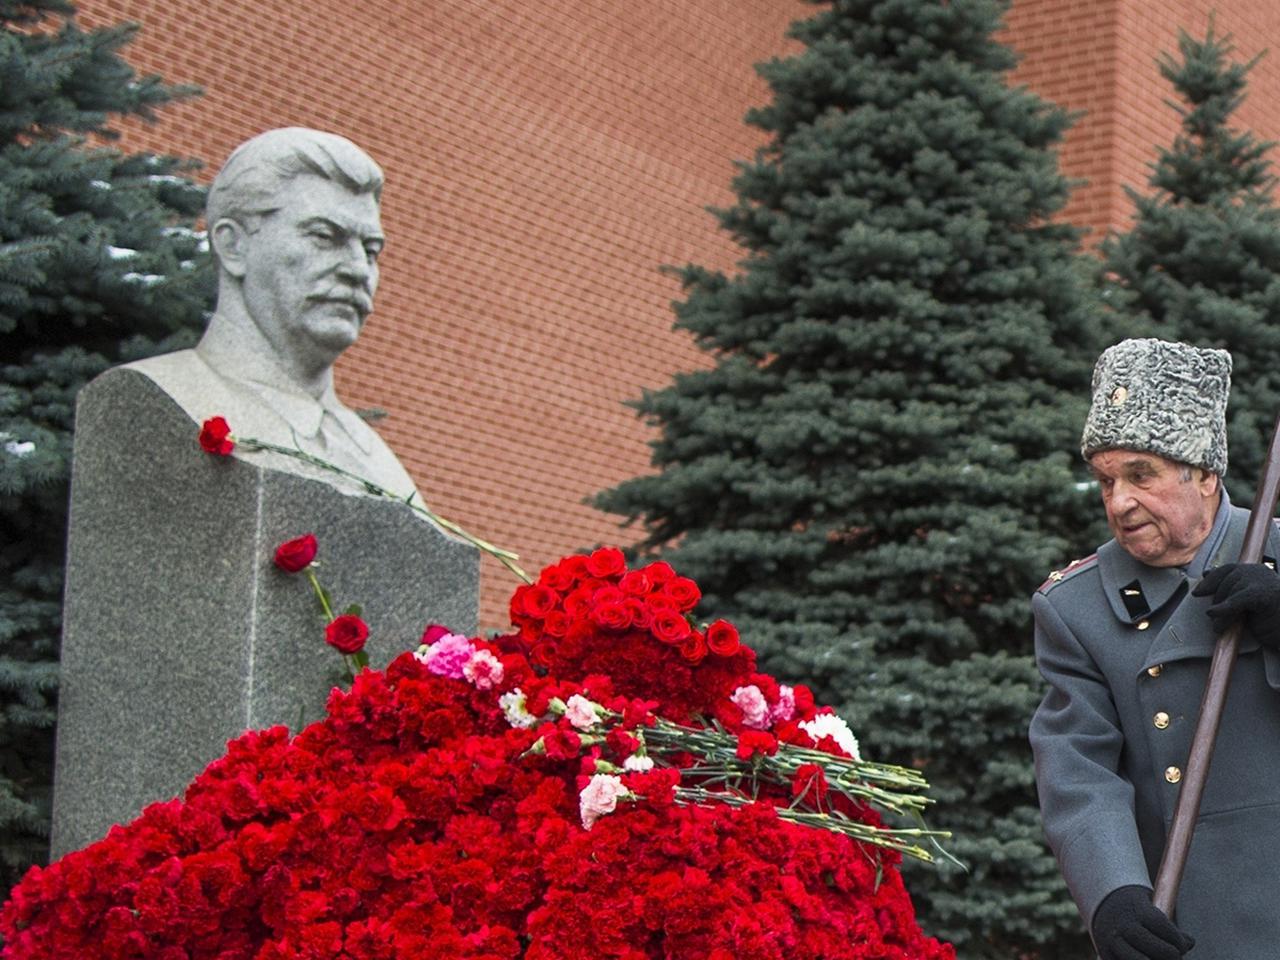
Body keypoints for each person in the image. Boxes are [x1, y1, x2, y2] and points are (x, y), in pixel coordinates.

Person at [1030, 337, 1280, 960]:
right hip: (1191, 929)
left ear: (1204, 472)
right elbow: (1078, 769)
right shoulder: (1075, 608)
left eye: (1140, 474)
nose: (1119, 502)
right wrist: (1112, 891)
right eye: (1106, 480)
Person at [128, 127, 419, 496]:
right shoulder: (157, 400)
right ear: (234, 245)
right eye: (325, 237)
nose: (359, 269)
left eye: (371, 250)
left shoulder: (380, 463)